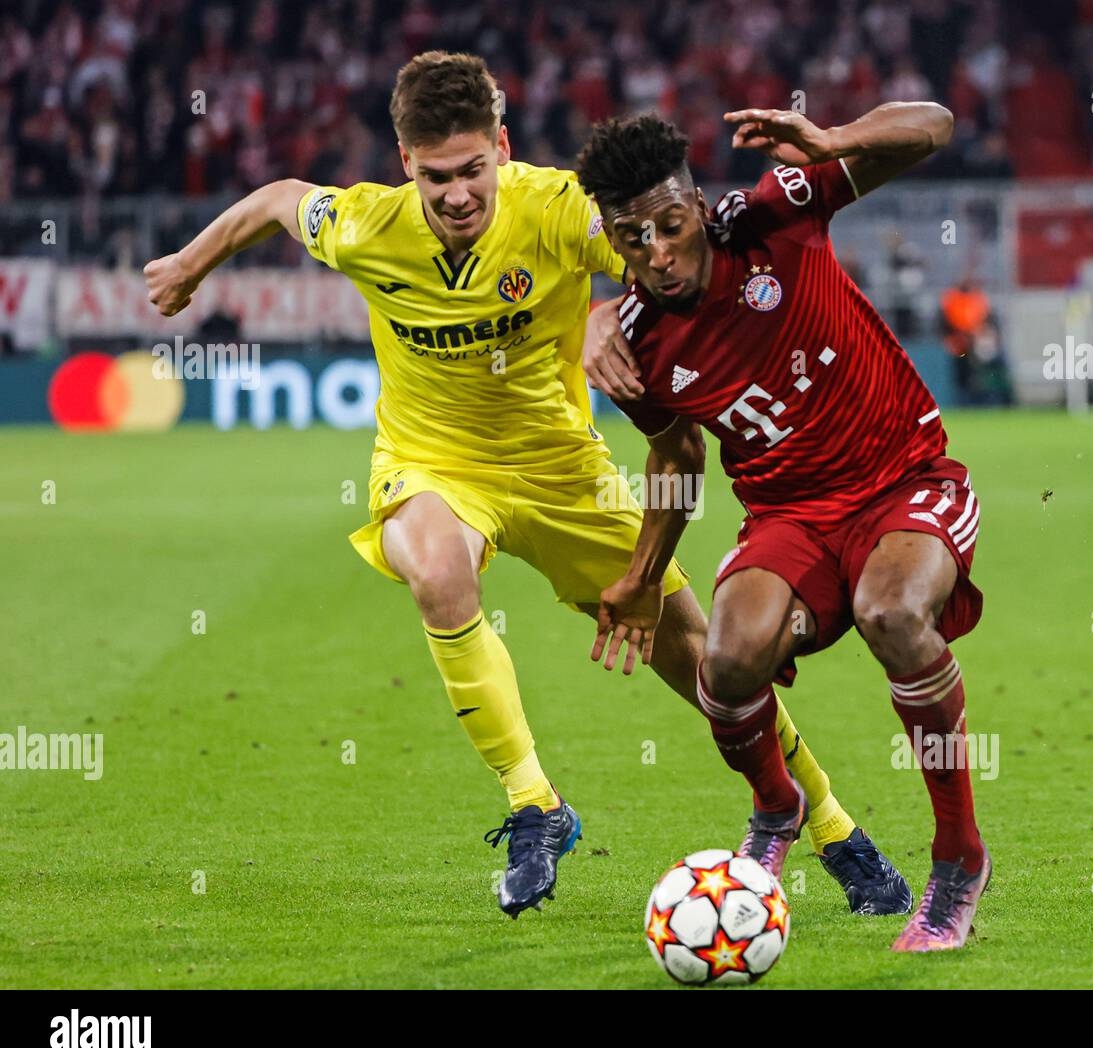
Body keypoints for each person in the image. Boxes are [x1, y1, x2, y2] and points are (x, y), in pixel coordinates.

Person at [144, 52, 880, 919]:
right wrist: (191, 263)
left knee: (706, 658)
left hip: (564, 470)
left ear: (501, 146)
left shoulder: (558, 207)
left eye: (472, 171)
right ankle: (535, 802)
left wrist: (613, 307)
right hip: (435, 464)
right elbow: (276, 199)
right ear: (404, 164)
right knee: (435, 567)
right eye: (435, 177)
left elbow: (660, 253)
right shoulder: (365, 225)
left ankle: (832, 826)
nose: (457, 195)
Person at [578, 104, 991, 952]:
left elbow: (937, 126)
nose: (656, 251)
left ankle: (958, 857)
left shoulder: (779, 214)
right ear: (612, 242)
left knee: (891, 612)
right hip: (788, 516)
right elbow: (676, 456)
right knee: (726, 661)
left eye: (669, 222)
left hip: (903, 483)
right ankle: (778, 802)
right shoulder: (633, 346)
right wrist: (642, 576)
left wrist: (838, 143)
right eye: (631, 236)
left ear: (696, 204)